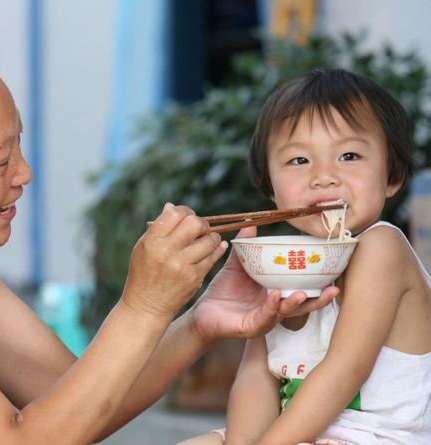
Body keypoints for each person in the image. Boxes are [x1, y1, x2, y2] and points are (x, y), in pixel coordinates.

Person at [0, 34, 338, 445]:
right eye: (0, 160)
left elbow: (72, 401)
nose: (24, 174)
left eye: (19, 149)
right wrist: (142, 303)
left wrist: (199, 322)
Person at [178, 68, 431, 445]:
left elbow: (346, 369)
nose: (324, 177)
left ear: (391, 175)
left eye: (349, 155)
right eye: (299, 161)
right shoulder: (280, 262)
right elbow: (256, 377)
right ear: (270, 184)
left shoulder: (382, 248)